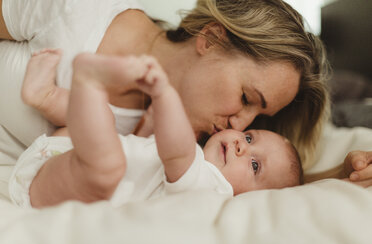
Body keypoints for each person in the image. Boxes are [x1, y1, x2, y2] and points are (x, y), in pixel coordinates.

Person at [0, 0, 371, 184]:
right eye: (245, 98)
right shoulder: (76, 13)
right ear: (210, 38)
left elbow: (260, 180)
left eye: (256, 120)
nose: (238, 124)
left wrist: (340, 175)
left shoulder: (188, 146)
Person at [9, 50, 303, 208]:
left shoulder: (214, 192)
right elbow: (143, 166)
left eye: (254, 165)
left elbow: (177, 150)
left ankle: (84, 82)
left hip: (59, 191)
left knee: (106, 161)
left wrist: (164, 95)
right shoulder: (201, 170)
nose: (241, 142)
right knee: (104, 128)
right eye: (250, 138)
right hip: (69, 160)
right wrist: (145, 130)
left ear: (253, 200)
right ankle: (45, 95)